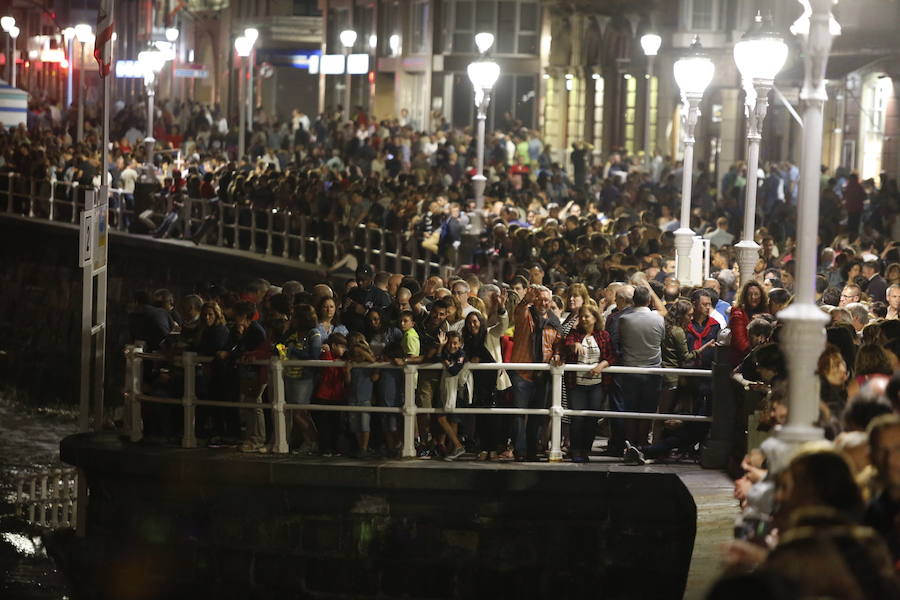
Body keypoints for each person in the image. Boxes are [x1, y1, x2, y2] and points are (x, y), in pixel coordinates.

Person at [509, 285, 562, 461]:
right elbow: (519, 310)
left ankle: (532, 451)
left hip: (542, 375)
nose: (543, 302)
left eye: (547, 299)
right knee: (518, 414)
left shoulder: (554, 320)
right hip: (522, 372)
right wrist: (526, 299)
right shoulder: (525, 314)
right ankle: (520, 450)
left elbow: (557, 344)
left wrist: (557, 354)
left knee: (537, 416)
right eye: (540, 299)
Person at [564, 304, 615, 462]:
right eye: (582, 316)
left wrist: (601, 366)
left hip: (597, 384)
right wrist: (575, 345)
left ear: (595, 318)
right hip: (576, 383)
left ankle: (586, 450)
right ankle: (576, 450)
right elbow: (567, 344)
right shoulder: (574, 334)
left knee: (591, 418)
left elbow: (612, 356)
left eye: (587, 316)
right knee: (577, 418)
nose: (584, 319)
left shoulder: (603, 335)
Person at [617, 285, 665, 450]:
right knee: (648, 410)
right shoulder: (658, 319)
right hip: (653, 370)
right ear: (649, 300)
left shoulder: (624, 319)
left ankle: (630, 443)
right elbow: (662, 339)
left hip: (630, 370)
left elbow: (621, 341)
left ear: (633, 300)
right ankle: (643, 443)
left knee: (630, 409)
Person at [281, 304, 323, 454]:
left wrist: (296, 351)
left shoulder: (314, 334)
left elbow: (314, 356)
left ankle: (312, 441)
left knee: (300, 412)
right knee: (297, 411)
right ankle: (308, 441)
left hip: (304, 377)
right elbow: (280, 347)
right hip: (291, 375)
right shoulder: (293, 334)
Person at [438, 330, 469, 460]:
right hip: (447, 389)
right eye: (450, 343)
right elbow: (437, 357)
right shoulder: (445, 352)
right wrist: (440, 346)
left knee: (448, 419)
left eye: (455, 343)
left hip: (458, 390)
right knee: (449, 419)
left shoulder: (461, 354)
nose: (452, 346)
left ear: (460, 343)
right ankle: (455, 449)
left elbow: (454, 370)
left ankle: (456, 446)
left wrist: (447, 362)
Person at [730, 280, 769, 363]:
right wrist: (757, 355)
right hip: (743, 360)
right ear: (744, 296)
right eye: (749, 294)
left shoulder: (766, 312)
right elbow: (740, 343)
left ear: (761, 296)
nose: (753, 297)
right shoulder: (738, 314)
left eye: (756, 294)